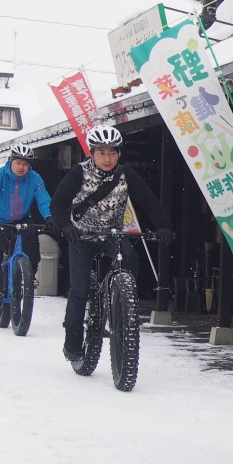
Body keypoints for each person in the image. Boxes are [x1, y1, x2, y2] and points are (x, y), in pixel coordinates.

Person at [50, 124, 172, 361]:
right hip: (82, 235)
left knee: (131, 259)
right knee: (80, 290)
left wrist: (163, 225)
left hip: (112, 234)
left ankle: (119, 300)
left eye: (113, 152)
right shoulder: (79, 172)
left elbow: (148, 200)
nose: (108, 158)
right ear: (92, 153)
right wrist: (66, 227)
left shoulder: (126, 173)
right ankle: (72, 341)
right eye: (102, 153)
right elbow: (58, 202)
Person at [0, 141, 54, 317]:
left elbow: (43, 199)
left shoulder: (35, 178)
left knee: (33, 248)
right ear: (10, 161)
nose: (21, 167)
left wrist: (49, 217)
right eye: (18, 163)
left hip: (22, 218)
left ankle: (28, 278)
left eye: (25, 164)